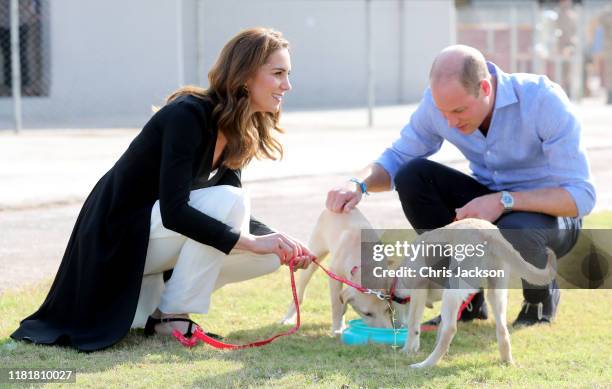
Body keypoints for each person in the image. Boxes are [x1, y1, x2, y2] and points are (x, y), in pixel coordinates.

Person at [11, 27, 315, 352]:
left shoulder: (239, 128)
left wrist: (278, 240)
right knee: (232, 206)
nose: (287, 85)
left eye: (288, 74)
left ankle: (161, 307)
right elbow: (177, 212)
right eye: (278, 73)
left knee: (268, 259)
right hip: (115, 238)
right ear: (245, 76)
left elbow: (229, 211)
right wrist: (253, 241)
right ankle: (171, 316)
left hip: (152, 239)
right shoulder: (188, 115)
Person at [326, 45, 595, 327]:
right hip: (488, 199)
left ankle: (539, 300)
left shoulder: (543, 100)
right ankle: (467, 298)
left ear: (485, 88)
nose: (451, 122)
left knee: (517, 229)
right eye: (443, 112)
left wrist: (503, 200)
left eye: (459, 110)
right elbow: (396, 158)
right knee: (413, 176)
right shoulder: (438, 104)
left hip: (552, 216)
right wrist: (358, 183)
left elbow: (581, 196)